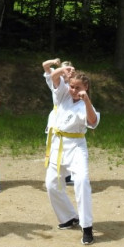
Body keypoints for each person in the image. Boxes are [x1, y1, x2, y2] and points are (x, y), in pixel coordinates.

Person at [44, 65, 100, 245]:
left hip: (76, 146)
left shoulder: (86, 105)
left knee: (82, 181)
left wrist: (87, 100)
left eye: (78, 88)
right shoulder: (63, 96)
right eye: (72, 86)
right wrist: (63, 70)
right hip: (58, 145)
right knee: (51, 184)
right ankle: (68, 217)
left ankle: (87, 226)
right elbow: (53, 77)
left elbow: (92, 121)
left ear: (86, 88)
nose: (74, 90)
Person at [42, 57, 73, 186]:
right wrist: (54, 62)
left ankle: (67, 175)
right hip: (56, 117)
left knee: (68, 145)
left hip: (69, 117)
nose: (67, 74)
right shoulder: (56, 82)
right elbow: (45, 66)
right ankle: (53, 174)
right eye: (65, 71)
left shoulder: (72, 85)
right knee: (54, 145)